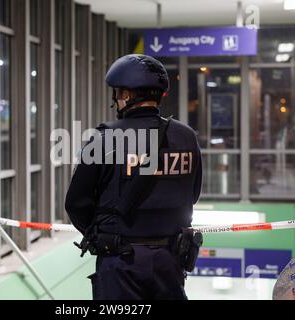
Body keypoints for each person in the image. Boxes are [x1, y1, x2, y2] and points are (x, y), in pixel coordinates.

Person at [65, 54, 203, 300]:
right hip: (170, 262)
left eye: (117, 94)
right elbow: (193, 194)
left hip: (121, 263)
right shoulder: (187, 136)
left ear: (126, 96)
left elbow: (76, 203)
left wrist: (103, 230)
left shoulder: (104, 139)